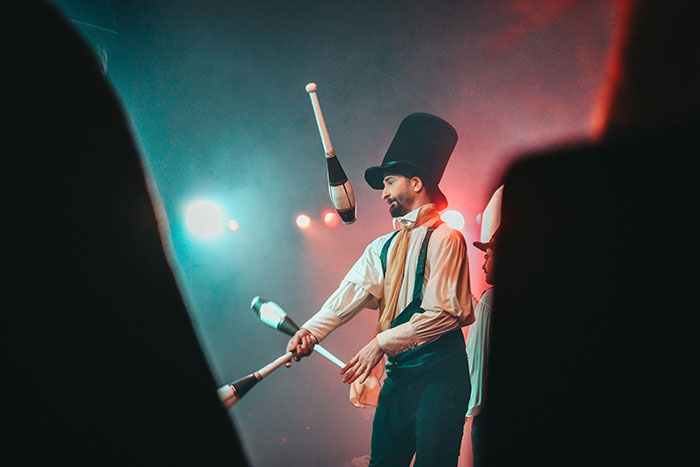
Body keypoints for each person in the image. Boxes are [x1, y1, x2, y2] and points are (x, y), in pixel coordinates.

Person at [287, 113, 474, 466]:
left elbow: (445, 314)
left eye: (389, 182)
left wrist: (380, 343)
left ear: (416, 183)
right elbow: (349, 294)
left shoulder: (447, 239)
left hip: (440, 379)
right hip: (399, 377)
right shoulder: (382, 246)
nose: (383, 192)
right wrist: (310, 331)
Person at [465, 228, 498, 467]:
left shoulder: (490, 300)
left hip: (488, 414)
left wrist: (470, 405)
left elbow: (479, 358)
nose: (483, 265)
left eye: (487, 256)